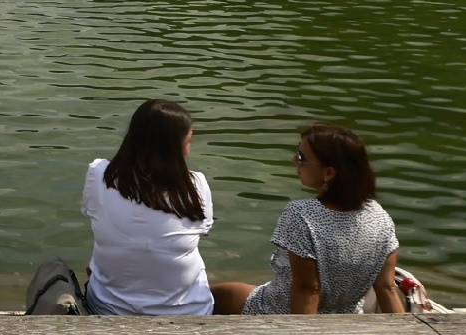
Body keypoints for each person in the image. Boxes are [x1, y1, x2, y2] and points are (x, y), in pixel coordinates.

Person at [75, 99, 254, 316]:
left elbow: (91, 212)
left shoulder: (99, 174)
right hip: (190, 313)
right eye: (187, 142)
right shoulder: (195, 186)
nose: (188, 151)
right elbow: (201, 231)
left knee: (101, 260)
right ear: (172, 149)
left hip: (109, 310)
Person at [230, 123, 404, 315]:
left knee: (216, 295)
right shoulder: (380, 216)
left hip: (281, 313)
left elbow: (308, 291)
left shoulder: (302, 214)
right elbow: (386, 289)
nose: (294, 159)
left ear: (329, 173)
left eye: (302, 158)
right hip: (348, 319)